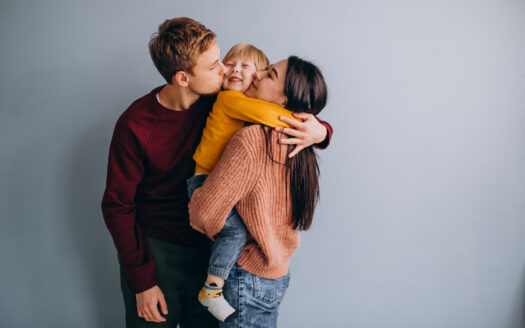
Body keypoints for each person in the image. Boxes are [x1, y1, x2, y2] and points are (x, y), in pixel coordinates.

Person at [101, 17, 332, 328]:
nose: (225, 70)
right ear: (183, 78)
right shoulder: (135, 125)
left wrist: (321, 132)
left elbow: (286, 103)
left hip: (213, 252)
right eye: (213, 67)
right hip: (157, 254)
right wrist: (142, 281)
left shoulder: (224, 101)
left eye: (220, 59)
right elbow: (117, 207)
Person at [188, 56, 328, 328]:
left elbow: (204, 215)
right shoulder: (302, 142)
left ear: (285, 100)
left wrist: (197, 201)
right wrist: (321, 132)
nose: (258, 75)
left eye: (271, 74)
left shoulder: (251, 139)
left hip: (247, 275)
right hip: (277, 272)